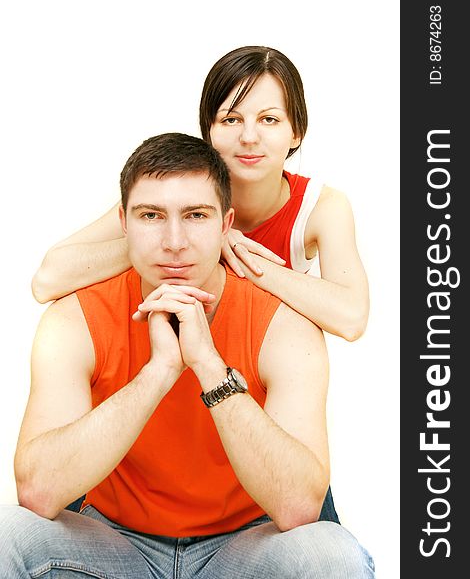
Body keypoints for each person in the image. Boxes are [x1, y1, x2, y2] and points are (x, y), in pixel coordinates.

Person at [0, 133, 375, 578]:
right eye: (151, 216)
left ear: (226, 223)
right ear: (123, 223)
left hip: (241, 547)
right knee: (8, 535)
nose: (173, 241)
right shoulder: (75, 319)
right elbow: (39, 492)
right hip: (116, 544)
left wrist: (209, 367)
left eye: (196, 216)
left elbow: (298, 507)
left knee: (332, 555)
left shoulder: (285, 325)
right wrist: (158, 372)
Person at [31, 46, 369, 342]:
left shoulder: (322, 207)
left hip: (257, 366)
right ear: (208, 130)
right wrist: (157, 241)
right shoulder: (168, 194)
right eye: (230, 120)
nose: (249, 137)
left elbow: (351, 319)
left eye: (269, 119)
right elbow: (47, 280)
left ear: (296, 132)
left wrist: (227, 248)